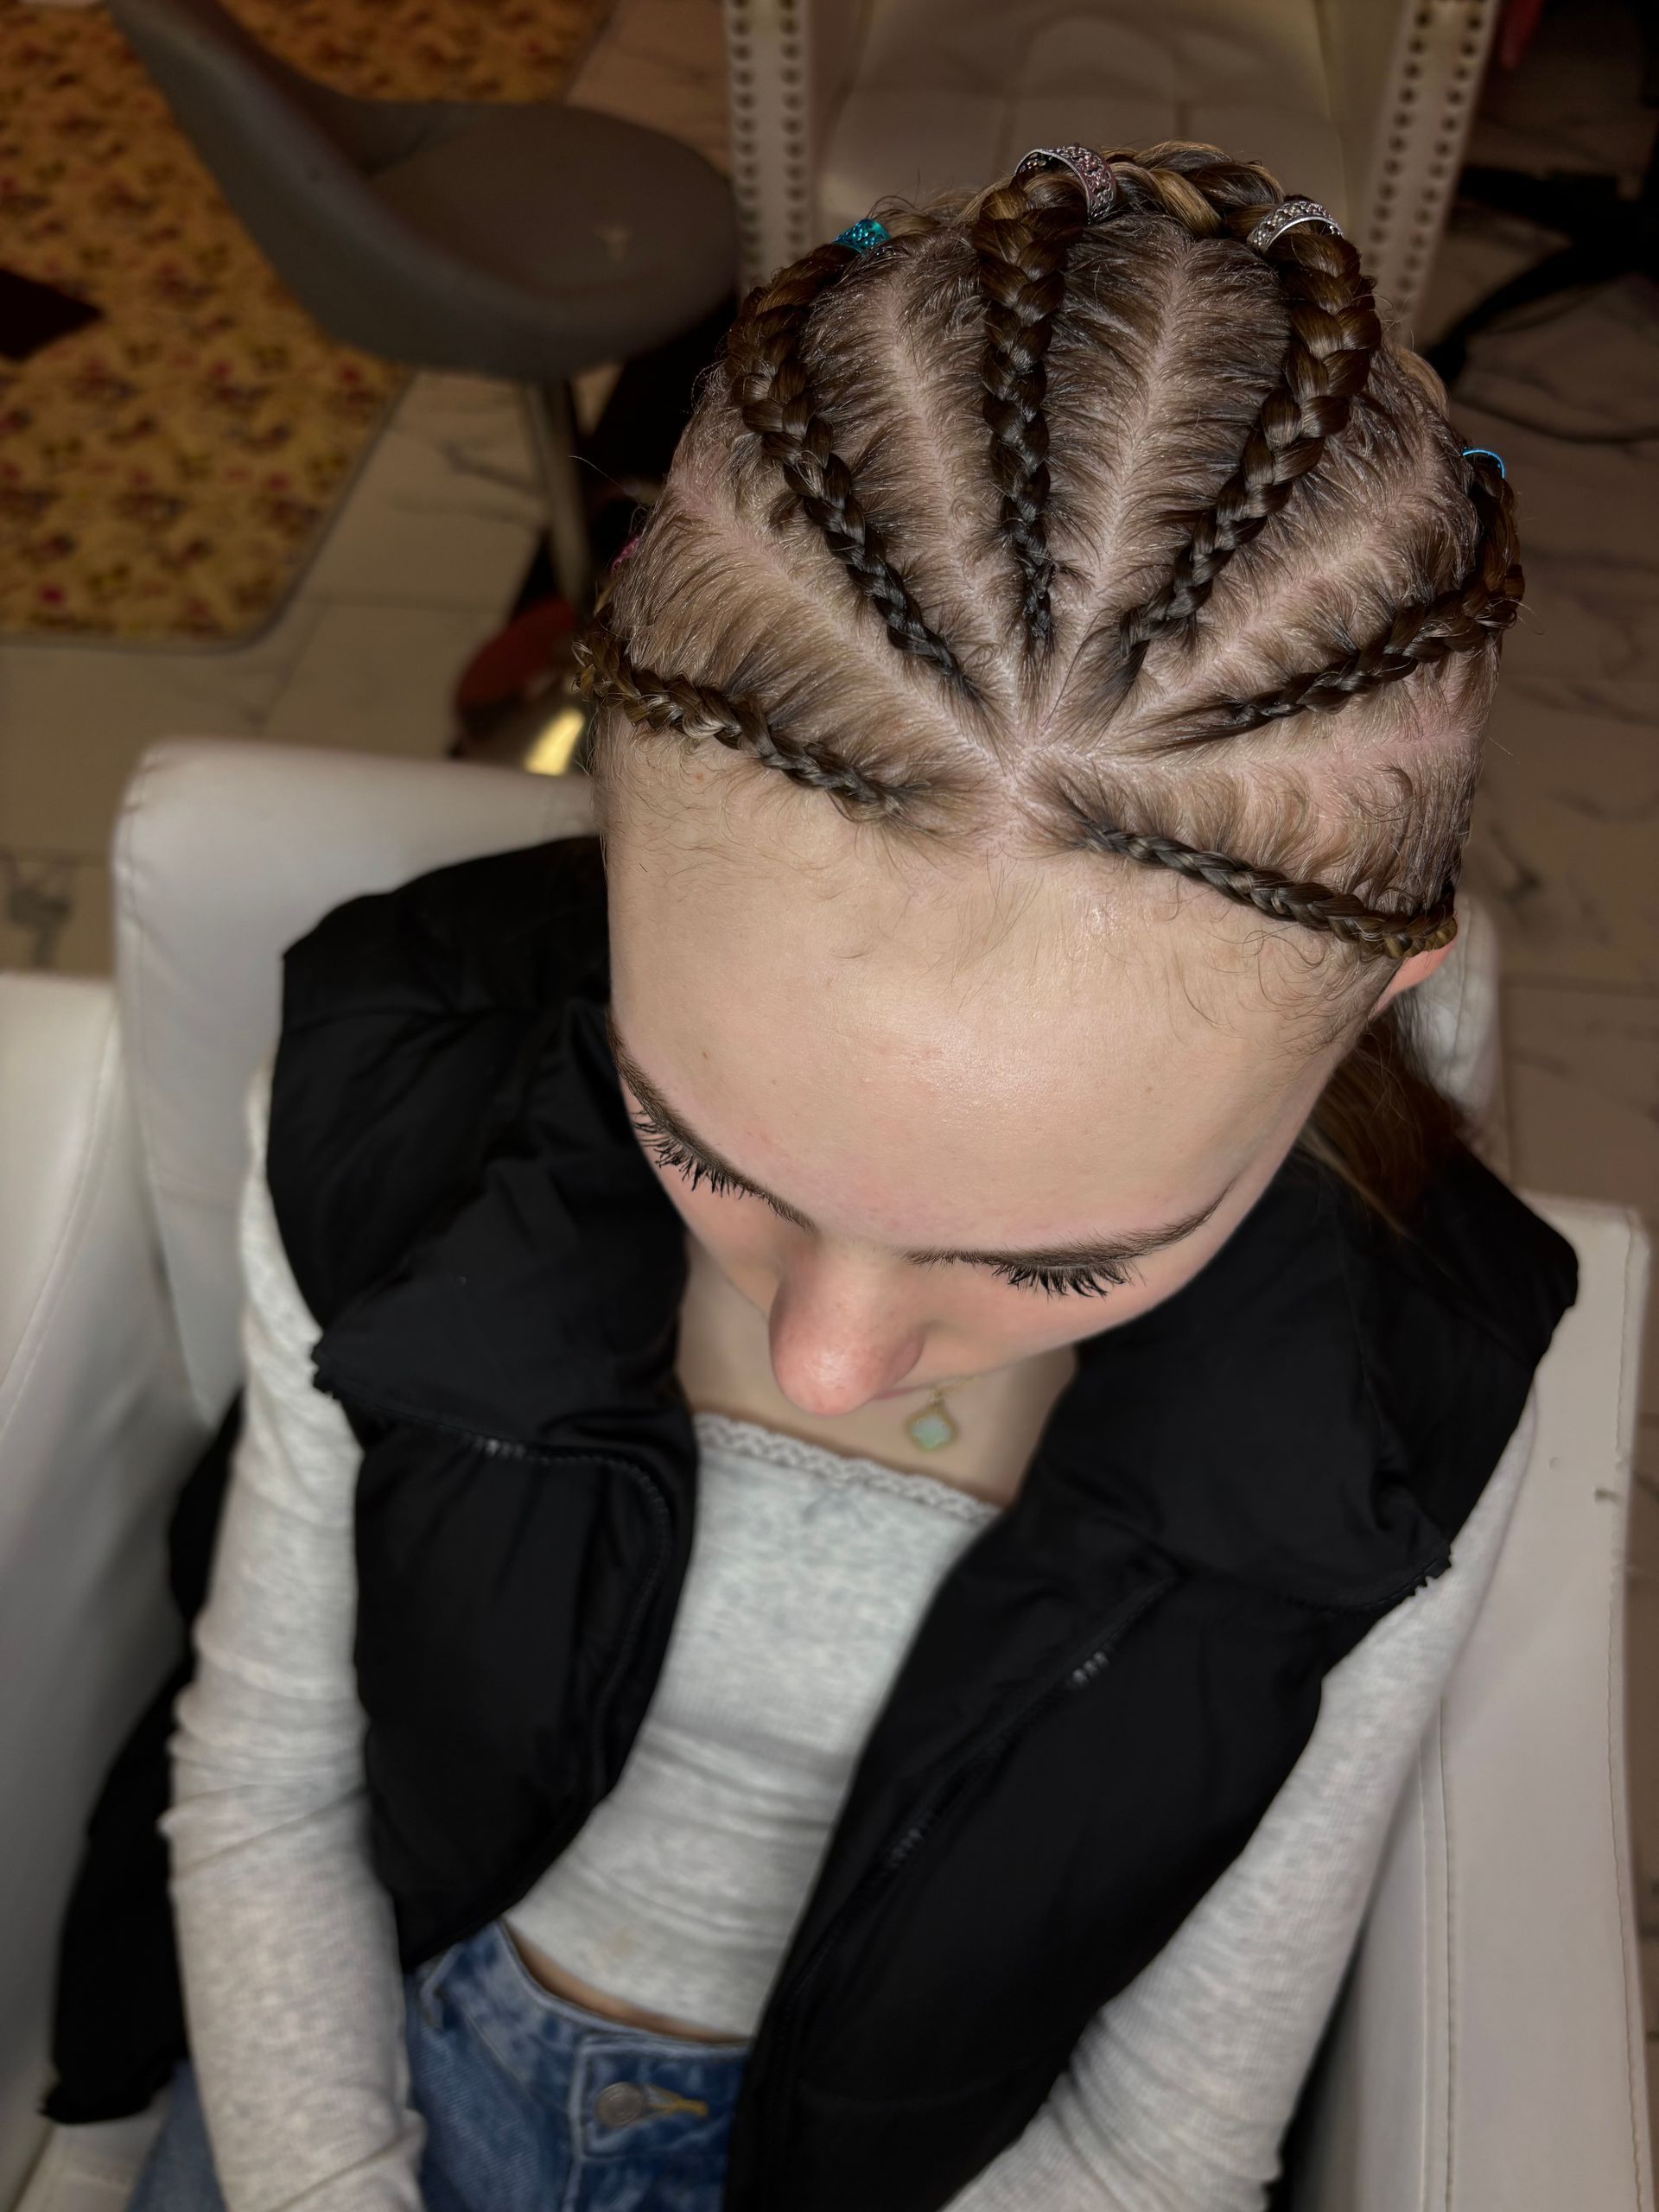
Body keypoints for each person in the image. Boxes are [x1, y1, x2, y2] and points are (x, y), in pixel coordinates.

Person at [120, 142, 1576, 2212]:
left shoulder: (1408, 1397)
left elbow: (1164, 2137)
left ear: (1372, 1005)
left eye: (1055, 1262)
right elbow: (269, 1781)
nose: (827, 1355)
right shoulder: (403, 1088)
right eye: (699, 1140)